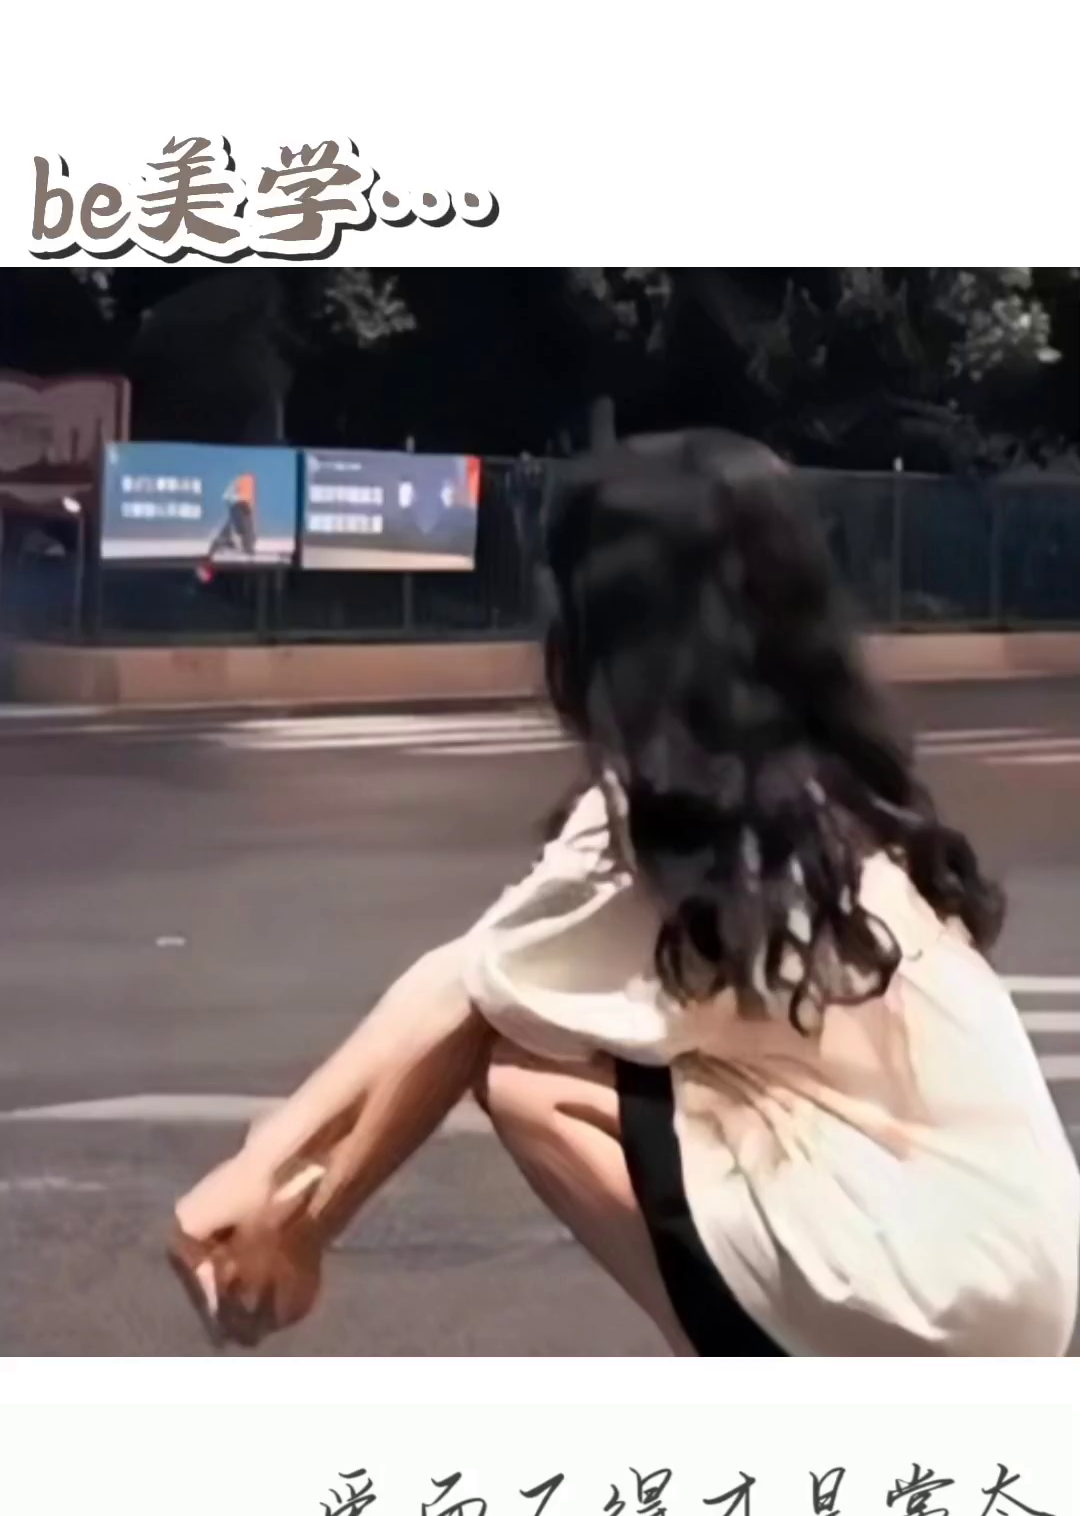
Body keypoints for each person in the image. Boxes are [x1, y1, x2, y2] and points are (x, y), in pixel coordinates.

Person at [173, 430, 1079, 1357]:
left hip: (927, 1297)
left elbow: (466, 993)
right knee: (582, 1039)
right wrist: (283, 1181)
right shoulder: (835, 792)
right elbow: (479, 972)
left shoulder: (684, 816)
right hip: (1023, 1277)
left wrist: (280, 1195)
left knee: (529, 1077)